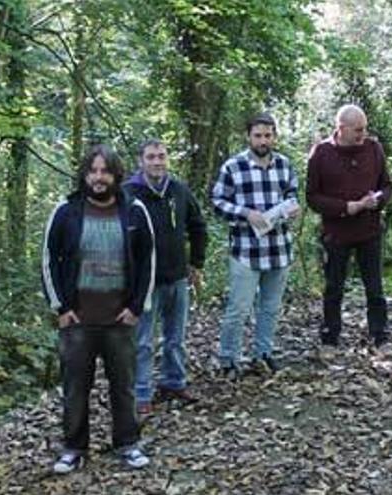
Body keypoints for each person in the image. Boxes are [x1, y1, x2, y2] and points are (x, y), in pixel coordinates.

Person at [41, 144, 154, 473]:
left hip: (120, 318)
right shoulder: (66, 210)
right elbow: (48, 260)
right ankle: (74, 448)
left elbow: (148, 261)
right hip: (77, 319)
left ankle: (128, 444)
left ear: (116, 174)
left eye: (105, 171)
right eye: (93, 170)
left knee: (124, 385)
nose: (99, 177)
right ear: (84, 174)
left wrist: (137, 307)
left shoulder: (134, 210)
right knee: (76, 388)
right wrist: (60, 307)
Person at [210, 113, 300, 378]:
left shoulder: (284, 165)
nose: (263, 140)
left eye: (268, 135)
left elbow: (292, 194)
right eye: (258, 135)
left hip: (278, 248)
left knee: (270, 307)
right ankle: (228, 359)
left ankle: (263, 354)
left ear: (274, 136)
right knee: (238, 308)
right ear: (248, 136)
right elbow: (217, 201)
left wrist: (292, 208)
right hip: (246, 250)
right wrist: (245, 213)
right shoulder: (233, 167)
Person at [124, 139, 207, 415]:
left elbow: (198, 226)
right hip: (144, 283)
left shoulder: (178, 190)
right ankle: (142, 393)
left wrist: (196, 263)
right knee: (144, 341)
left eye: (161, 156)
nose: (157, 161)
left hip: (177, 277)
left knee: (176, 337)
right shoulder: (128, 193)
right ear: (141, 161)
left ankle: (174, 382)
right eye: (151, 157)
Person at [306, 104, 392, 349]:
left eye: (364, 129)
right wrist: (346, 207)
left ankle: (379, 334)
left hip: (370, 230)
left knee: (374, 286)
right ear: (341, 128)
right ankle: (330, 335)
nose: (362, 134)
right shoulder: (321, 153)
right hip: (336, 232)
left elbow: (387, 185)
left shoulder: (374, 149)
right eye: (357, 130)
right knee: (334, 286)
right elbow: (312, 197)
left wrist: (378, 200)